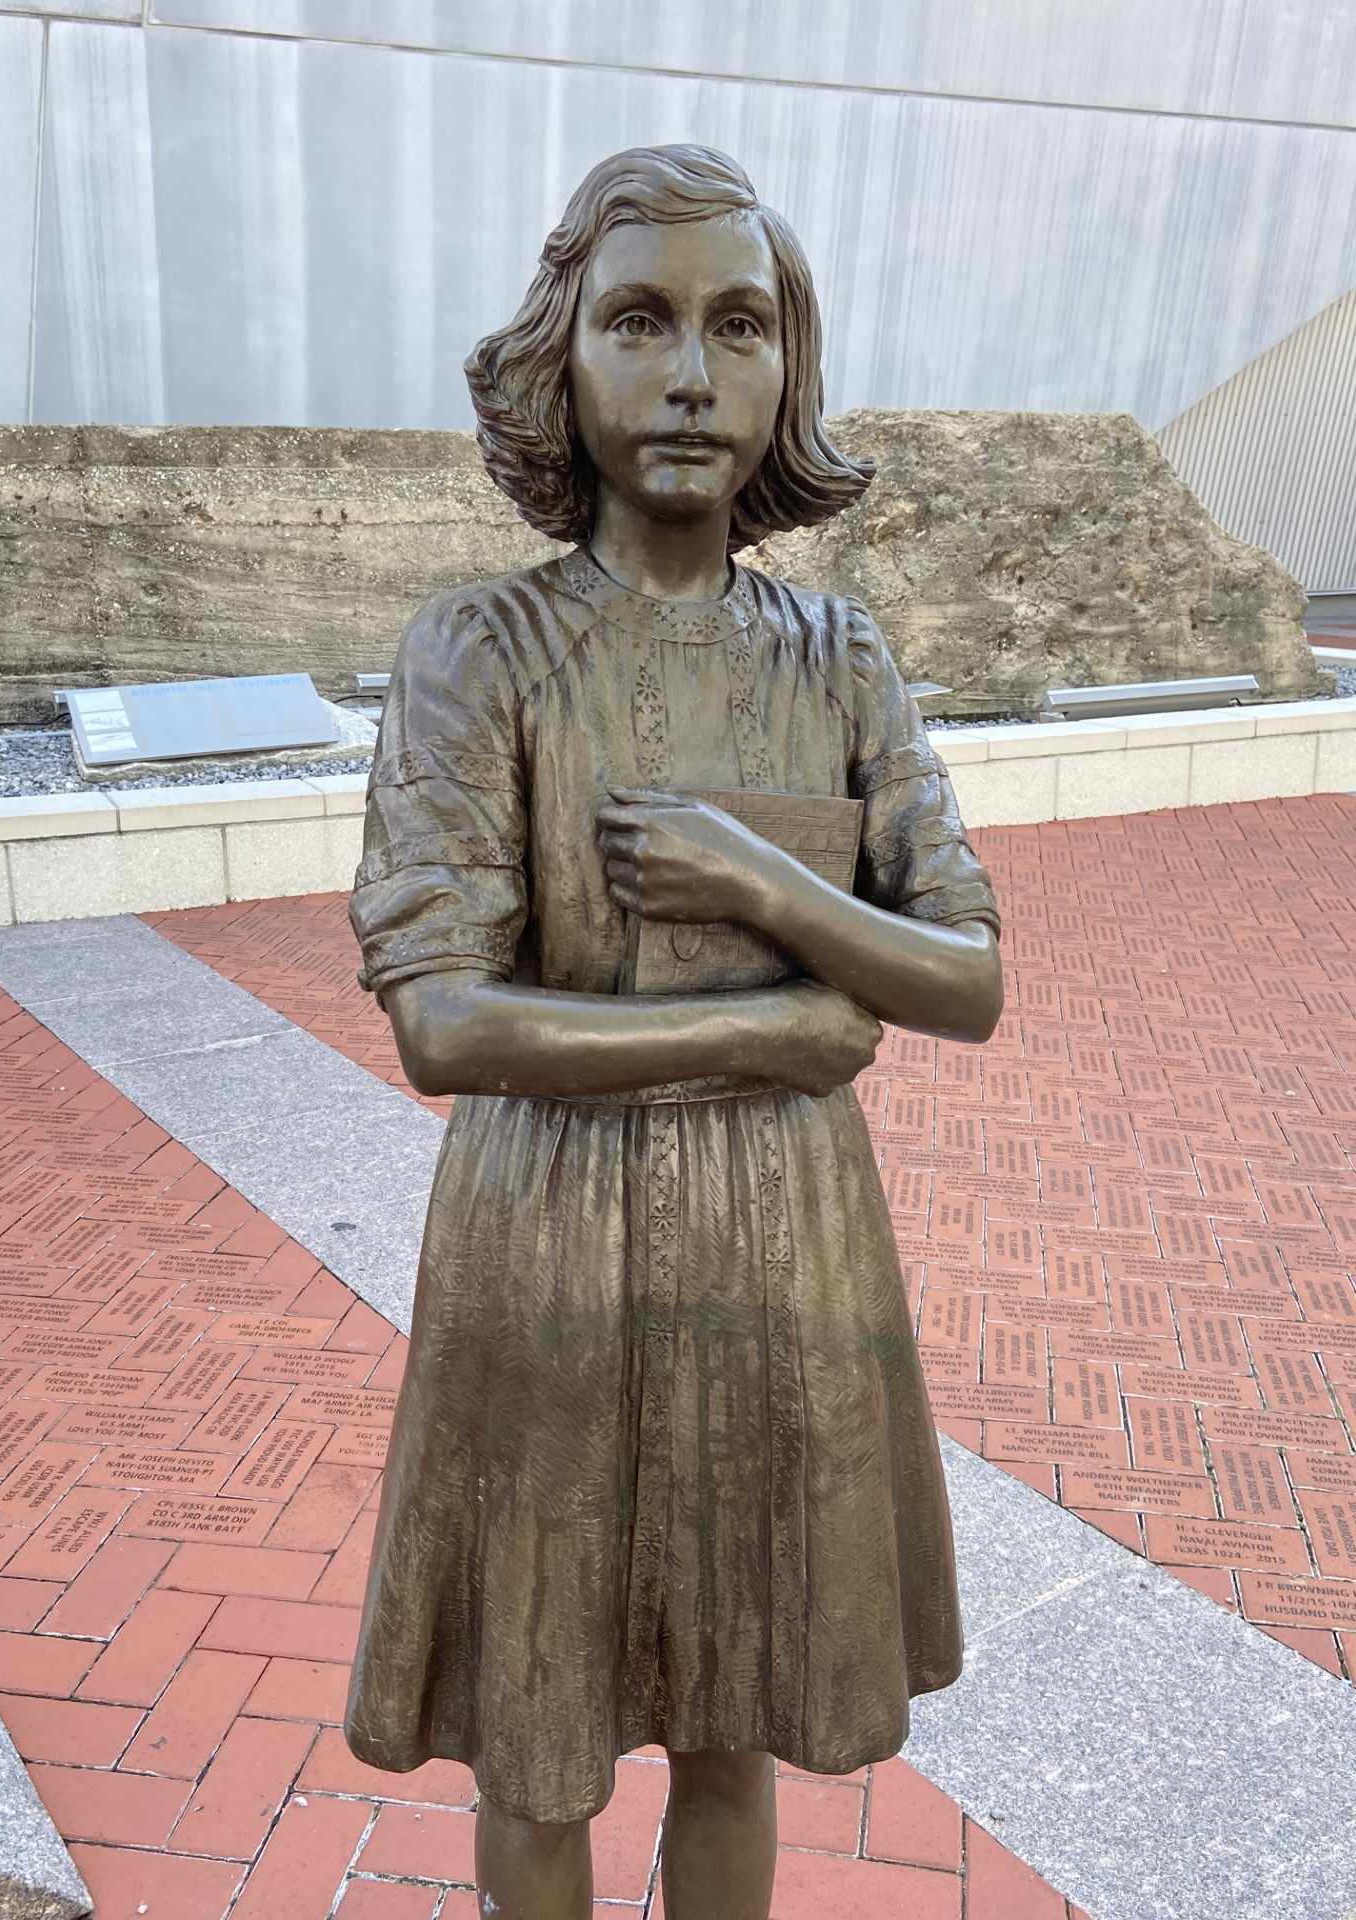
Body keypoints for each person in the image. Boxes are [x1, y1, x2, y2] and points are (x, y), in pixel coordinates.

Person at [346, 144, 1003, 1920]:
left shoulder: (840, 658)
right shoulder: (477, 653)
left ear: (793, 366)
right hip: (545, 1244)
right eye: (640, 322)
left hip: (785, 1257)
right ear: (564, 358)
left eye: (742, 324)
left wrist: (762, 884)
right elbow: (444, 1021)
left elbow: (967, 974)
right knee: (537, 1729)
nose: (694, 372)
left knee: (737, 1714)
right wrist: (780, 1040)